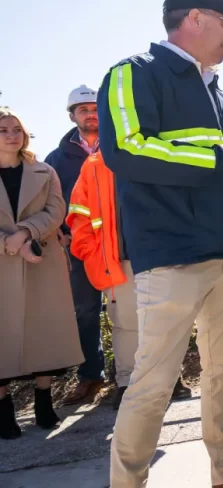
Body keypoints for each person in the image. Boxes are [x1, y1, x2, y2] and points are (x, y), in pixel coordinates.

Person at [98, 0, 223, 488]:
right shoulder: (131, 74)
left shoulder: (217, 91)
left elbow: (218, 169)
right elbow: (127, 150)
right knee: (153, 384)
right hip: (173, 254)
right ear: (195, 18)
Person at [65, 149, 191, 410]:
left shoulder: (156, 152)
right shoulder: (94, 164)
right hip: (119, 259)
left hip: (162, 253)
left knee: (169, 320)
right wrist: (92, 253)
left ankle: (171, 378)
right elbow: (79, 215)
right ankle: (126, 383)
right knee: (127, 324)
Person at [0, 108, 82, 440]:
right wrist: (9, 242)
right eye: (3, 129)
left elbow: (56, 209)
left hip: (42, 259)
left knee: (45, 330)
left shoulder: (44, 170)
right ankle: (4, 412)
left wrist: (26, 234)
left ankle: (44, 402)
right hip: (3, 262)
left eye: (16, 128)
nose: (10, 134)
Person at [44, 85, 105, 405]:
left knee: (139, 310)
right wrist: (61, 233)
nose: (90, 113)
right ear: (72, 115)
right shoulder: (56, 159)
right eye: (83, 109)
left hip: (122, 244)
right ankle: (91, 376)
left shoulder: (122, 145)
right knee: (84, 312)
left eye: (95, 107)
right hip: (80, 248)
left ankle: (144, 375)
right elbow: (50, 203)